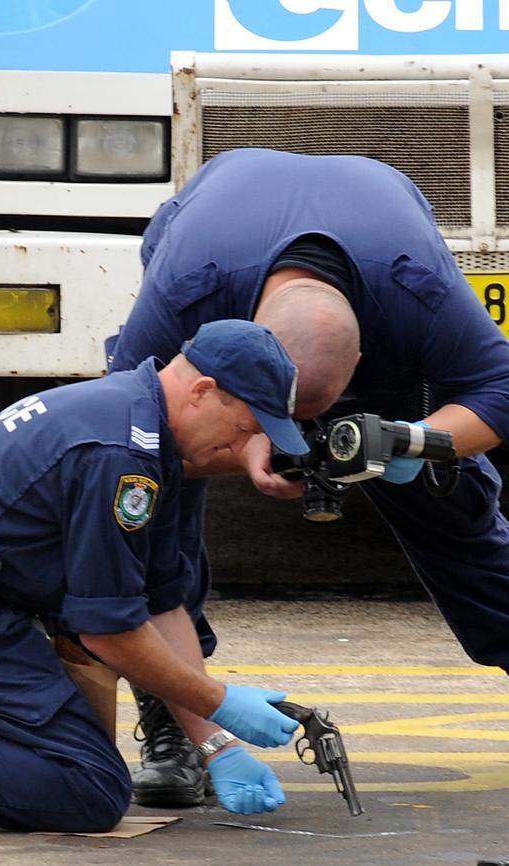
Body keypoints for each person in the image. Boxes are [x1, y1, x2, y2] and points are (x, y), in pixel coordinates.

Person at [108, 147, 509, 807]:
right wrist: (239, 446)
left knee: (450, 497)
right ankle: (172, 719)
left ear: (365, 361)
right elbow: (127, 431)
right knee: (151, 509)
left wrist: (411, 441)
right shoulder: (189, 293)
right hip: (214, 235)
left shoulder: (416, 295)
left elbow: (496, 389)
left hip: (377, 245)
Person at [0, 319, 308, 832]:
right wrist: (220, 701)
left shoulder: (141, 423)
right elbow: (108, 630)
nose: (243, 447)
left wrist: (215, 744)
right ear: (203, 391)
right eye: (246, 428)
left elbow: (159, 604)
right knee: (87, 787)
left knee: (71, 761)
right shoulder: (122, 457)